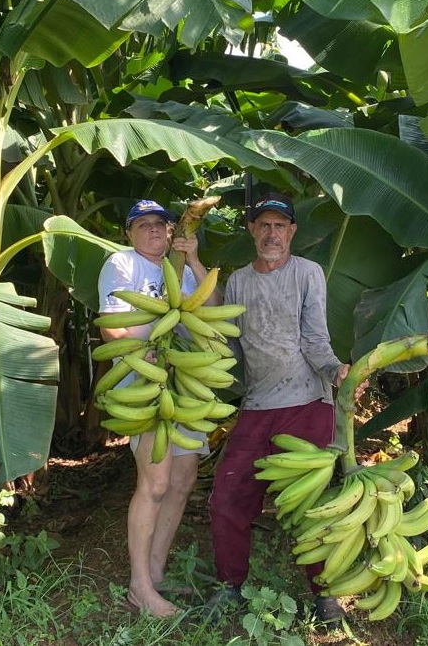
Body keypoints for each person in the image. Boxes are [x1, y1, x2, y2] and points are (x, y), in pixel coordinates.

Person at [204, 192, 365, 628]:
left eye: (280, 226)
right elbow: (233, 343)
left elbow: (314, 337)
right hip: (257, 404)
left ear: (292, 232)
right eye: (264, 225)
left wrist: (334, 370)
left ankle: (325, 596)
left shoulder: (307, 273)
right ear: (252, 231)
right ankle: (229, 585)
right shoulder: (238, 281)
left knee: (313, 504)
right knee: (229, 497)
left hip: (307, 403)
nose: (272, 233)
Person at [97, 199, 219, 618]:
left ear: (171, 231)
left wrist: (195, 261)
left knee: (184, 479)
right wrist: (141, 355)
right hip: (144, 385)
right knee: (155, 484)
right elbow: (110, 321)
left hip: (184, 381)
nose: (153, 231)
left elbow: (212, 307)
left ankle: (157, 573)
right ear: (130, 233)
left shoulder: (181, 270)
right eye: (143, 225)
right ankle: (139, 587)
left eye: (160, 225)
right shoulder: (122, 263)